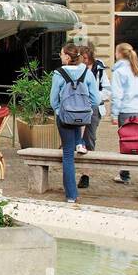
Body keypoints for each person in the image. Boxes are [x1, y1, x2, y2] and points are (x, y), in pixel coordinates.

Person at [49, 43, 99, 204]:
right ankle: (80, 142)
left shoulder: (59, 73)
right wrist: (86, 109)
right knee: (76, 134)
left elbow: (53, 99)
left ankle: (71, 194)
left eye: (62, 54)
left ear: (67, 57)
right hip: (81, 116)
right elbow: (96, 99)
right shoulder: (87, 72)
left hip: (64, 117)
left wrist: (59, 110)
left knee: (68, 156)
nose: (60, 56)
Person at [111, 42, 138, 184]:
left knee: (126, 142)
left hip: (126, 110)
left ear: (119, 54)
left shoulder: (118, 72)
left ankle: (125, 174)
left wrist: (114, 114)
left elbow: (117, 95)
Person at [77, 42, 110, 188]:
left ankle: (86, 174)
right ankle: (79, 171)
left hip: (94, 108)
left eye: (86, 57)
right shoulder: (78, 69)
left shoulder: (99, 69)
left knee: (89, 139)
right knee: (77, 140)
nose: (84, 60)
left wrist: (95, 97)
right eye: (82, 57)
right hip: (78, 106)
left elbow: (108, 90)